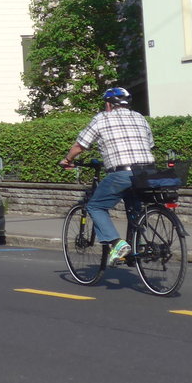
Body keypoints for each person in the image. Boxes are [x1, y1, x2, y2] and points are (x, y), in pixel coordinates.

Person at [60, 86, 155, 264]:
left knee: (95, 206)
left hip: (122, 173)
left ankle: (118, 244)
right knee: (135, 209)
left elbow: (81, 145)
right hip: (148, 172)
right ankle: (136, 247)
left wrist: (67, 159)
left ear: (109, 105)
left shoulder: (101, 119)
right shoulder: (140, 118)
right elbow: (149, 145)